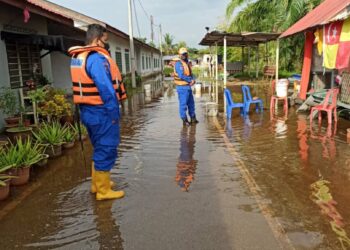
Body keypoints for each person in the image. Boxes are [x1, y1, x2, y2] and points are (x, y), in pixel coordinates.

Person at [68, 24, 126, 201]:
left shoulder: (79, 57)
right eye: (105, 40)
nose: (105, 44)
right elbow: (106, 89)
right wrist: (114, 113)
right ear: (98, 38)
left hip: (88, 111)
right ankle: (103, 191)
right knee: (107, 147)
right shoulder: (96, 58)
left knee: (99, 147)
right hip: (102, 111)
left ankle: (97, 184)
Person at [174, 47, 199, 126]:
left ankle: (193, 118)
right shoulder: (178, 64)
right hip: (182, 88)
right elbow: (181, 75)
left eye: (185, 54)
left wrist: (193, 79)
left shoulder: (187, 63)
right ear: (179, 55)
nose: (184, 55)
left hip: (188, 87)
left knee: (191, 104)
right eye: (182, 54)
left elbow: (191, 74)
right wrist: (190, 80)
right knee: (183, 105)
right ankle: (184, 120)